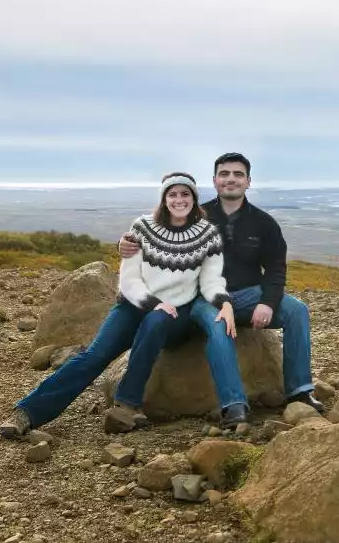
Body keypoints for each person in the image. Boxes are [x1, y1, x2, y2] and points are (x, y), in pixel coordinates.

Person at [0, 171, 243, 439]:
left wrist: (224, 302)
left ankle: (127, 403)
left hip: (176, 313)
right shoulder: (142, 227)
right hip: (134, 305)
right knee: (95, 355)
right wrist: (152, 302)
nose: (179, 199)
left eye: (185, 194)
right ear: (164, 199)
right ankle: (27, 413)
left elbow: (211, 280)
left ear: (194, 199)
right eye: (172, 194)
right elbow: (129, 279)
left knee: (157, 320)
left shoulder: (207, 234)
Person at [119, 153, 323, 418]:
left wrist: (267, 303)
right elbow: (156, 234)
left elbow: (276, 270)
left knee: (297, 310)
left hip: (249, 294)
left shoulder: (264, 223)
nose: (231, 179)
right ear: (215, 181)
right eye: (224, 174)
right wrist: (124, 244)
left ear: (248, 181)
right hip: (205, 297)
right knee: (219, 324)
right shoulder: (196, 218)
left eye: (238, 174)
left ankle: (299, 392)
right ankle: (233, 404)